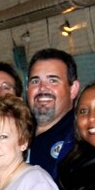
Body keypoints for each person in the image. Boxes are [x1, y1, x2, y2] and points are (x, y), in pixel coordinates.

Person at [24, 48, 80, 178]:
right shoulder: (15, 133)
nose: (42, 88)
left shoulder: (81, 138)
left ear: (73, 89)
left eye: (53, 80)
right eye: (35, 81)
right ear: (27, 89)